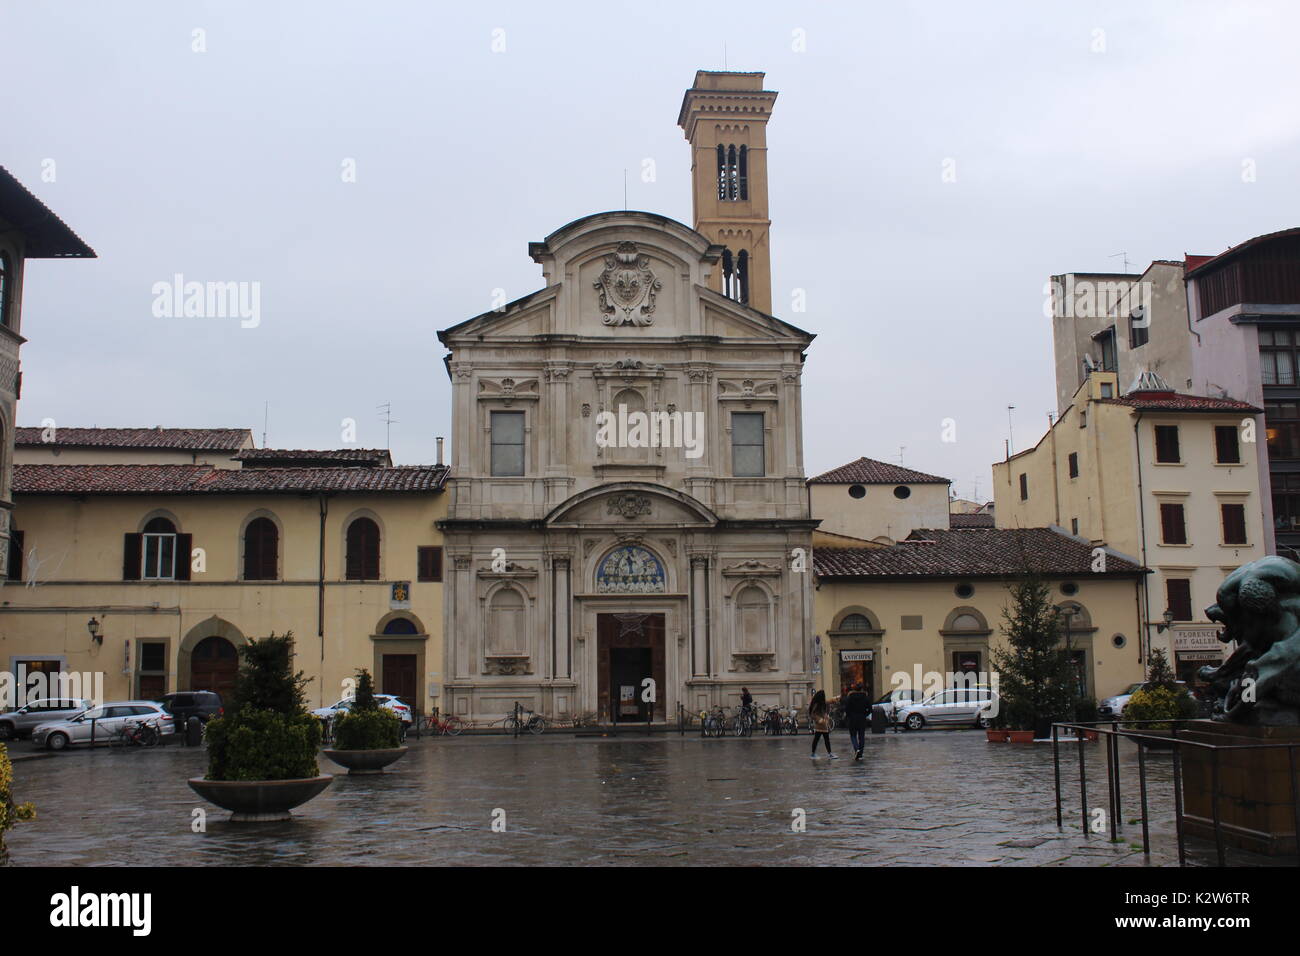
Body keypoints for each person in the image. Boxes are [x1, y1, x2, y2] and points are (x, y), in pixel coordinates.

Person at [844, 682, 871, 760]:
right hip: (862, 719)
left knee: (853, 735)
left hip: (853, 719)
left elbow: (847, 709)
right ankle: (861, 753)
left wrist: (849, 716)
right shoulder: (865, 697)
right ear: (861, 689)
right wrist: (865, 714)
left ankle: (856, 749)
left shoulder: (850, 697)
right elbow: (870, 709)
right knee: (861, 736)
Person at [809, 690, 836, 758]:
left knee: (823, 739)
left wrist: (834, 699)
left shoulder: (821, 703)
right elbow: (813, 714)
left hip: (823, 724)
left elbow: (828, 702)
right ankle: (814, 754)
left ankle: (829, 753)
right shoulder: (817, 704)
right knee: (818, 739)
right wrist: (819, 719)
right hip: (820, 724)